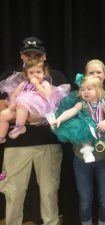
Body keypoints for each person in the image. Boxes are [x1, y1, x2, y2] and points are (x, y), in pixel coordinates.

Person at [0, 36, 67, 225]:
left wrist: (38, 118)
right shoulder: (9, 76)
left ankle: (51, 222)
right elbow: (1, 107)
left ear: (44, 56)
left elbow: (61, 110)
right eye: (27, 54)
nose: (31, 56)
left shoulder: (57, 77)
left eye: (36, 54)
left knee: (49, 190)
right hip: (15, 144)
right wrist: (27, 118)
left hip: (48, 142)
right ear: (21, 56)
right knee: (12, 190)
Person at [55, 59, 105, 225]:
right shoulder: (76, 97)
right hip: (81, 158)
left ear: (104, 75)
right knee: (85, 200)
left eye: (98, 72)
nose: (95, 75)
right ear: (85, 75)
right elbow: (67, 118)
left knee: (104, 199)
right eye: (91, 72)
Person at [52, 75, 105, 169]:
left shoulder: (104, 104)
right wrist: (59, 119)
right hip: (88, 126)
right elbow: (71, 111)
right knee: (82, 128)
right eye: (82, 90)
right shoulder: (81, 104)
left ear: (98, 91)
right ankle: (87, 152)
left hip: (101, 125)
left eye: (89, 89)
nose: (85, 91)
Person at [0, 59, 70, 142]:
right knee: (3, 114)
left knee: (22, 101)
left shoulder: (44, 84)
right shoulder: (24, 84)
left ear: (44, 74)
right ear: (27, 75)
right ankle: (1, 136)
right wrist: (12, 102)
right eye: (31, 73)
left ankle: (19, 127)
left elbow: (47, 96)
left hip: (38, 108)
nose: (35, 75)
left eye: (38, 72)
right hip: (21, 108)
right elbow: (14, 95)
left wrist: (36, 84)